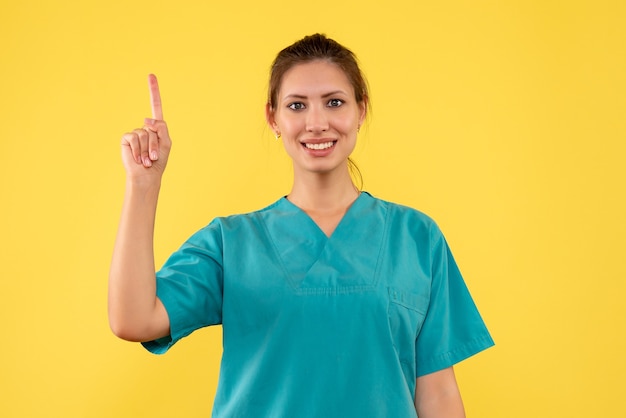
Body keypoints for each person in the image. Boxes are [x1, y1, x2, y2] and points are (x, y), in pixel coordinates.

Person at [109, 33, 494, 418]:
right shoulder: (231, 244)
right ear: (273, 118)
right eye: (296, 105)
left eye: (334, 103)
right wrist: (144, 186)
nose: (316, 123)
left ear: (361, 111)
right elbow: (134, 319)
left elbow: (439, 393)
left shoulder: (417, 238)